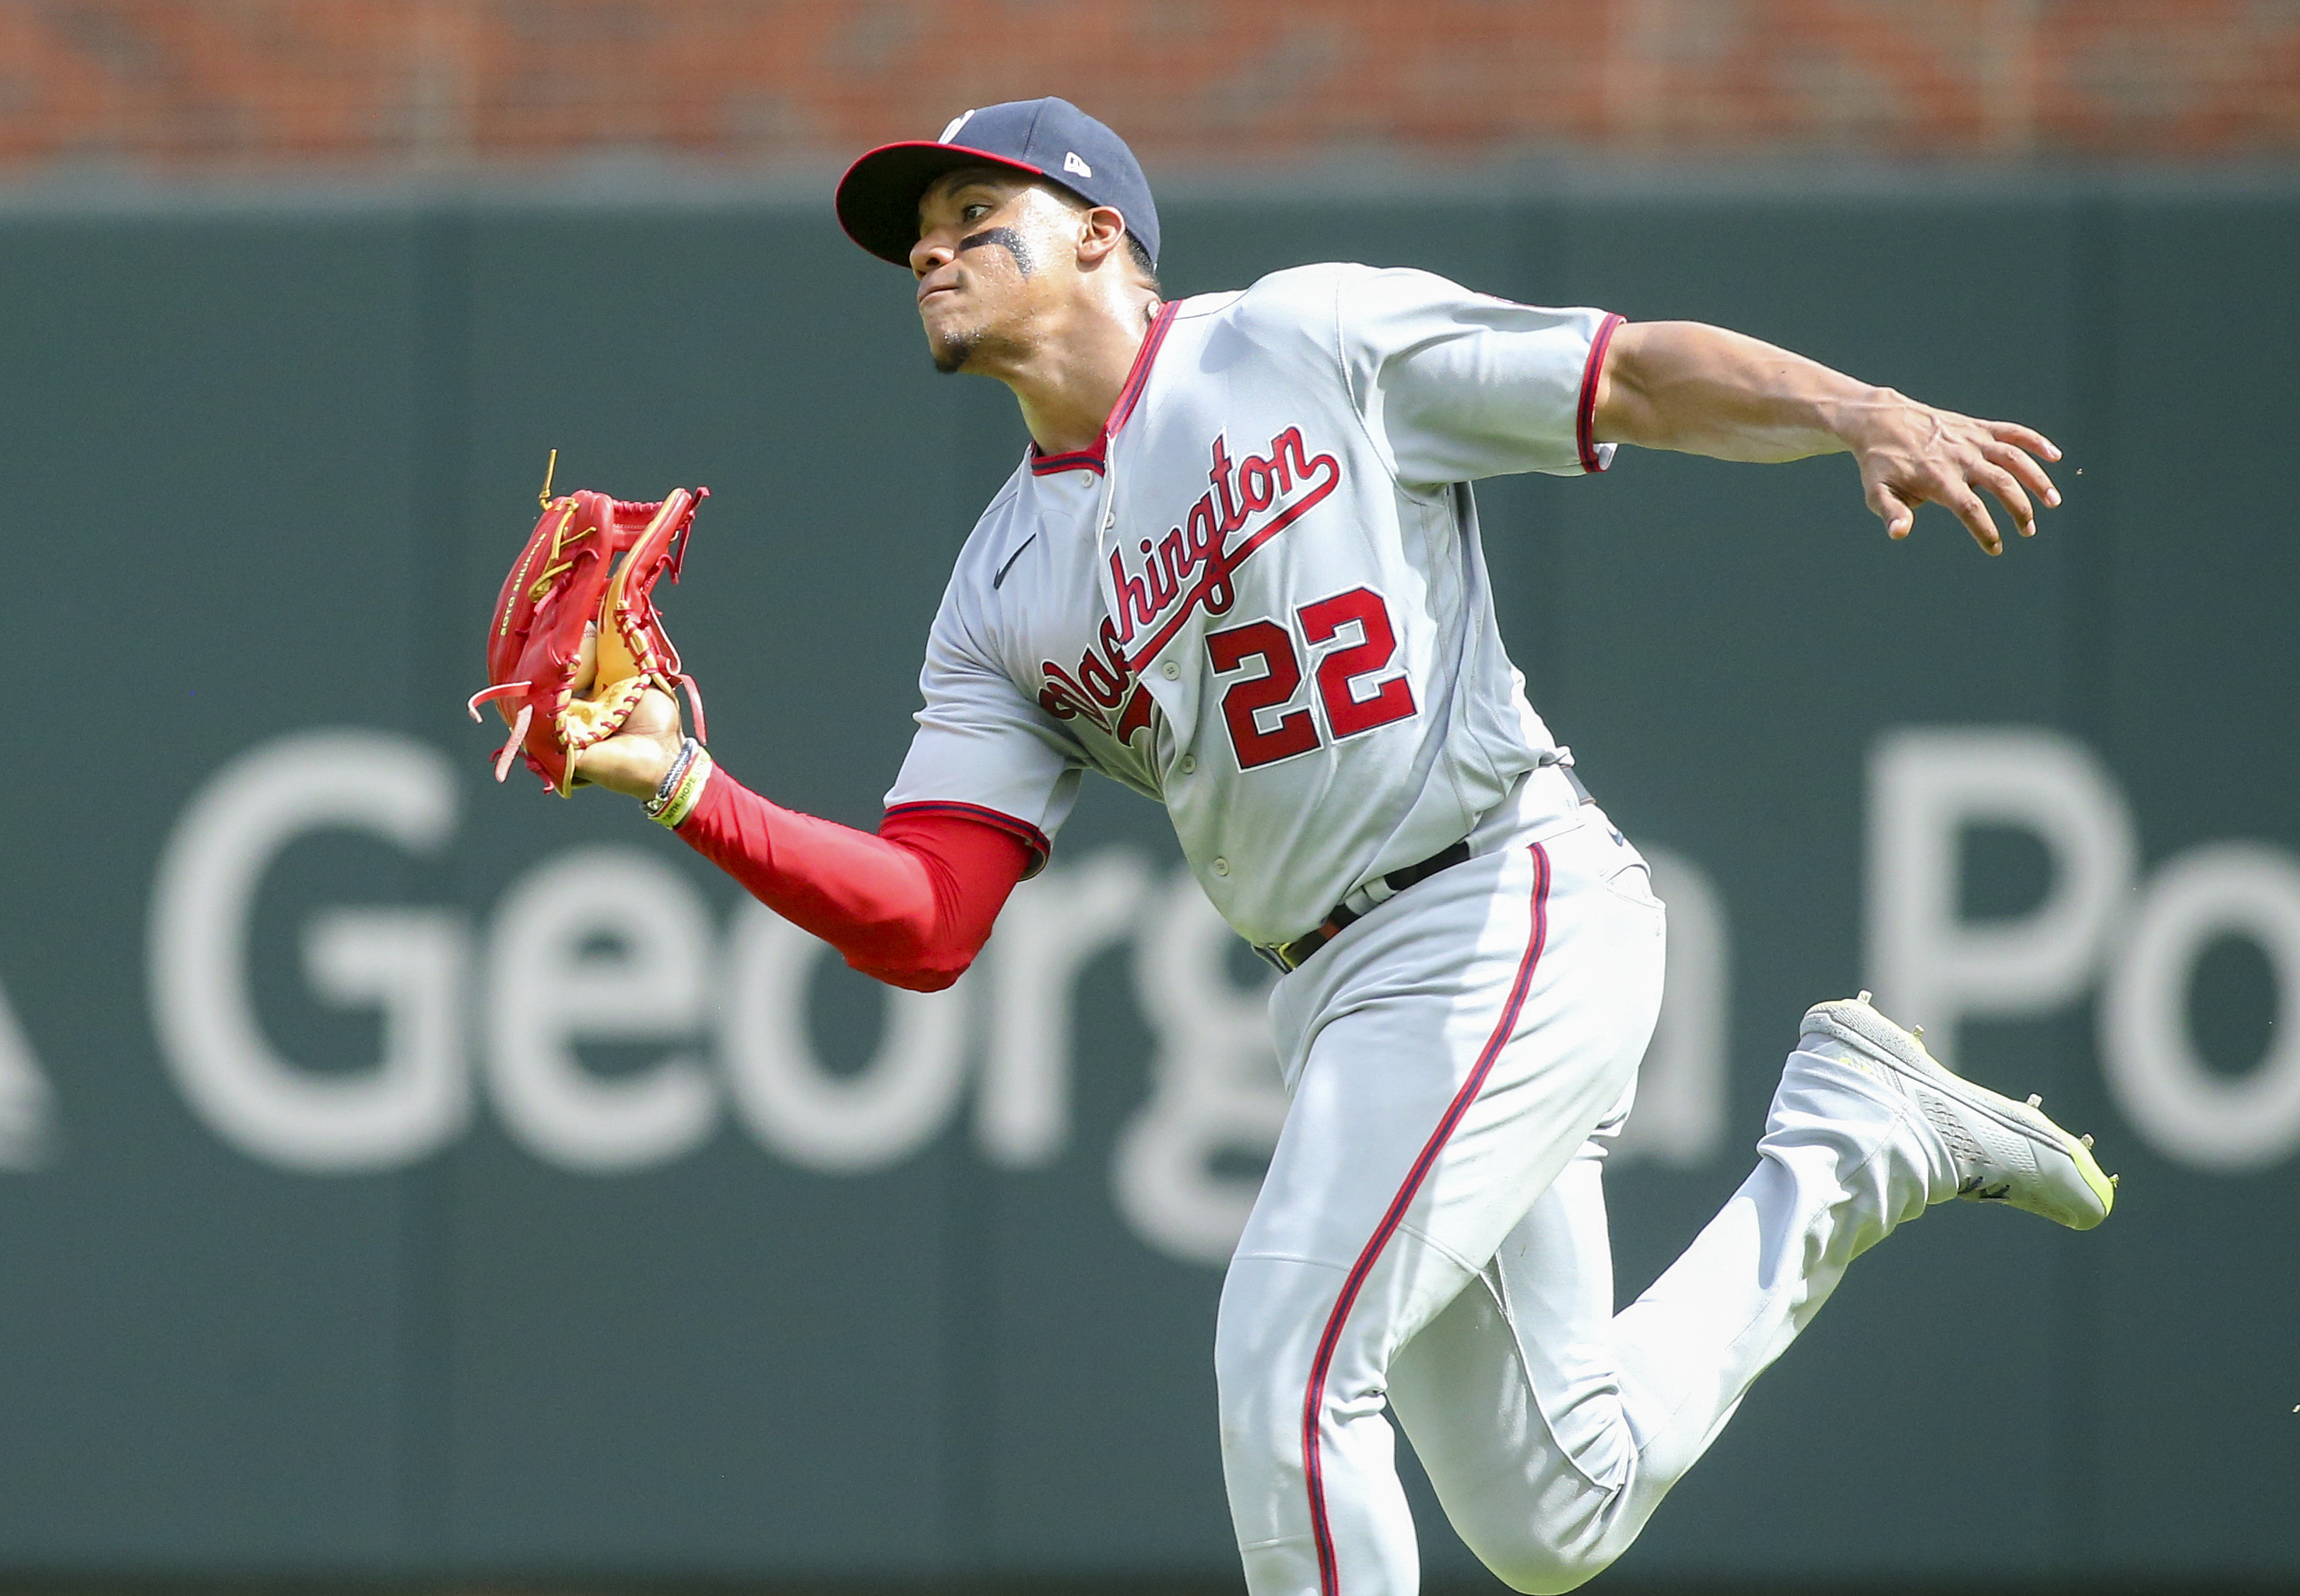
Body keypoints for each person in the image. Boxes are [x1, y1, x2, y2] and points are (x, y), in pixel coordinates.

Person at [568, 97, 2114, 1596]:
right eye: (919, 237)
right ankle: (1858, 1144)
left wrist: (1861, 412)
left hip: (1500, 903)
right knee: (1555, 1511)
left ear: (1103, 235)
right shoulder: (998, 595)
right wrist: (684, 782)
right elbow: (925, 918)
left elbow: (1630, 376)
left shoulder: (1297, 342)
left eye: (978, 217)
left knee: (1286, 1361)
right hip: (1338, 993)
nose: (934, 250)